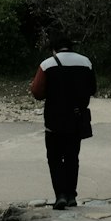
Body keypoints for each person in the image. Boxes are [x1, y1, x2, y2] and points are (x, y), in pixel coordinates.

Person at [30, 34, 97, 209]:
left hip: (54, 119)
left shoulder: (47, 64)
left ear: (54, 49)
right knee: (72, 157)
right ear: (71, 47)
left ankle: (60, 195)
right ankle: (71, 195)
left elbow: (37, 92)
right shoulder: (86, 62)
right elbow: (93, 89)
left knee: (54, 158)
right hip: (76, 118)